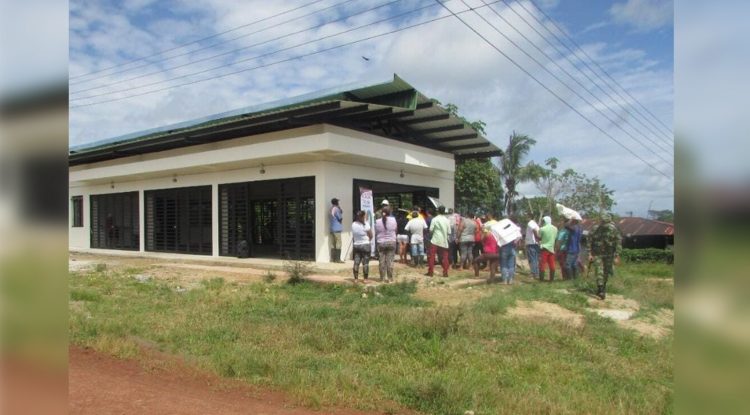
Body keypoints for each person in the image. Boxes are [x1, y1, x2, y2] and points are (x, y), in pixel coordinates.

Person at [589, 214, 622, 299]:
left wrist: (616, 255)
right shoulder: (595, 229)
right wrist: (590, 253)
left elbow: (618, 242)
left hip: (609, 254)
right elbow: (589, 240)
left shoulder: (614, 229)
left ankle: (603, 287)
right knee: (599, 270)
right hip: (597, 254)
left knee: (606, 272)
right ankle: (600, 289)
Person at [374, 204, 398, 283]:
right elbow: (395, 230)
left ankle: (382, 278)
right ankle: (390, 278)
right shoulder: (393, 220)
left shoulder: (377, 221)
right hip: (391, 241)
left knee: (381, 261)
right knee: (390, 261)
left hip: (381, 242)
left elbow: (376, 232)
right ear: (390, 212)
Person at [426, 206, 451, 277]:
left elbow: (430, 230)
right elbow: (449, 232)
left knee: (432, 256)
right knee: (445, 257)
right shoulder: (447, 220)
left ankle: (430, 272)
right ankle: (445, 272)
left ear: (438, 211)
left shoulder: (435, 219)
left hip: (435, 240)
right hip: (444, 241)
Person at [351, 211, 372, 282]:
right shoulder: (366, 224)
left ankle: (356, 279)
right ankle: (365, 279)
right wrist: (368, 240)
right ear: (363, 216)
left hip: (356, 245)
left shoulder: (353, 224)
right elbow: (371, 235)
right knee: (365, 263)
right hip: (365, 244)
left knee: (356, 262)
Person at [539, 215, 558, 281]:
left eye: (543, 221)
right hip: (551, 248)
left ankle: (541, 279)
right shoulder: (555, 228)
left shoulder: (542, 229)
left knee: (542, 264)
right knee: (552, 264)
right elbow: (555, 238)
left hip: (544, 248)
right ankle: (551, 279)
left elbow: (539, 237)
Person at [329, 198, 343, 263]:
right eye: (338, 201)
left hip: (332, 228)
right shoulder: (336, 209)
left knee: (333, 244)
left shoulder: (331, 209)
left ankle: (332, 259)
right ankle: (338, 259)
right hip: (337, 228)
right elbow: (340, 218)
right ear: (336, 202)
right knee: (338, 243)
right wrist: (339, 209)